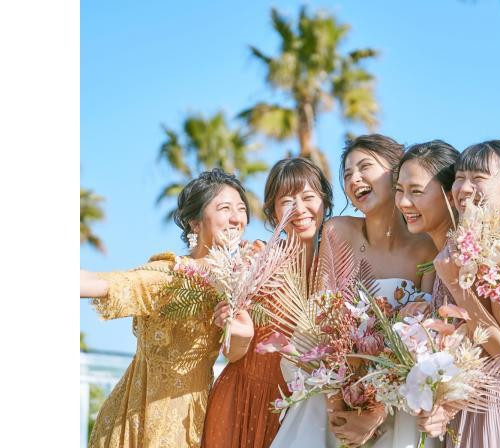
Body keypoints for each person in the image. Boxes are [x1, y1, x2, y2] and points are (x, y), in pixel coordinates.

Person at [81, 169, 255, 448]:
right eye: (225, 208)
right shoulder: (172, 274)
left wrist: (243, 334)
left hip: (194, 423)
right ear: (195, 223)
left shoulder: (238, 282)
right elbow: (106, 283)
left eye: (241, 209)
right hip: (138, 421)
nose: (237, 218)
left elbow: (234, 354)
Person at [409, 140, 500, 447]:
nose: (464, 187)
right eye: (459, 177)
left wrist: (455, 285)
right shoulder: (460, 245)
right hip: (465, 410)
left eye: (478, 178)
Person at [201, 158, 333, 448]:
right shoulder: (256, 259)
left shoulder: (337, 270)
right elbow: (232, 353)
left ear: (324, 201)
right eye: (287, 201)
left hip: (301, 411)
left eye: (308, 197)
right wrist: (237, 332)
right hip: (242, 401)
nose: (299, 209)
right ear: (273, 212)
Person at [324, 134, 438, 448]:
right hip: (338, 396)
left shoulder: (428, 248)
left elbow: (425, 344)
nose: (354, 179)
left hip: (401, 405)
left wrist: (375, 412)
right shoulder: (337, 232)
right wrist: (339, 410)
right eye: (347, 173)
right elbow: (321, 325)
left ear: (397, 174)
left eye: (365, 167)